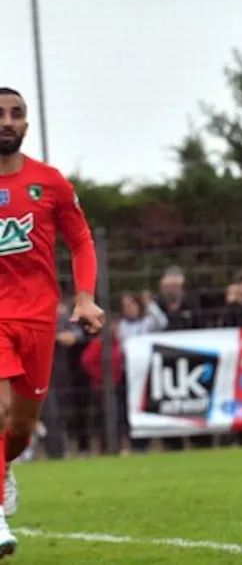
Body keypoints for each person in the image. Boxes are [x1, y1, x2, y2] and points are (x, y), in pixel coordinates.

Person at [0, 87, 106, 553]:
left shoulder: (51, 182)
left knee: (20, 430)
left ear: (26, 124)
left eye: (16, 114)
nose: (7, 120)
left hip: (39, 319)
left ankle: (4, 468)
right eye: (0, 113)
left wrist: (85, 299)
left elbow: (81, 241)